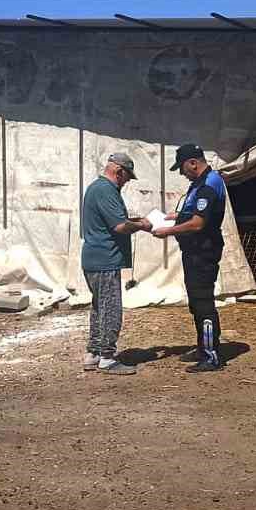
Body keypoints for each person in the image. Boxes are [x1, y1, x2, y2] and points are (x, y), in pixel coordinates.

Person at [153, 144, 227, 373]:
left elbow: (198, 223)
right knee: (196, 302)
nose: (182, 173)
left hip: (203, 252)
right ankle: (202, 347)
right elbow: (194, 213)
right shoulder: (200, 183)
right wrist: (177, 215)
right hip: (195, 252)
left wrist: (168, 231)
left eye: (182, 168)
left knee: (203, 304)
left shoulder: (207, 185)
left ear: (193, 162)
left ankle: (211, 354)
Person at [81, 152, 151, 375]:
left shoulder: (96, 188)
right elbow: (120, 226)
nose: (127, 181)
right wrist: (142, 225)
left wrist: (136, 221)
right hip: (105, 259)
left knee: (98, 308)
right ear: (119, 171)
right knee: (110, 309)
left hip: (94, 258)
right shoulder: (106, 190)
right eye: (127, 177)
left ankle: (93, 353)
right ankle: (107, 357)